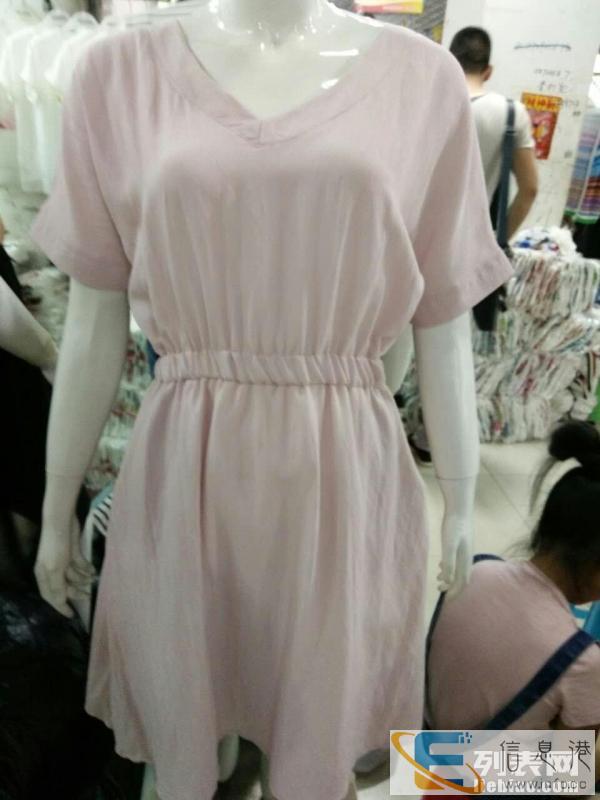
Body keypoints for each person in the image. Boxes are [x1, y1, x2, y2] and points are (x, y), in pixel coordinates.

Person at [427, 420, 600, 774]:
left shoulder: (474, 572)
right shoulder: (582, 661)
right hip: (477, 781)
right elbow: (570, 779)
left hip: (420, 757)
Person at [450, 26, 538, 239]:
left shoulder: (422, 103)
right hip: (470, 240)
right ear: (488, 72)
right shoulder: (511, 113)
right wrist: (497, 242)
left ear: (448, 62)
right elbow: (530, 189)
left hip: (412, 237)